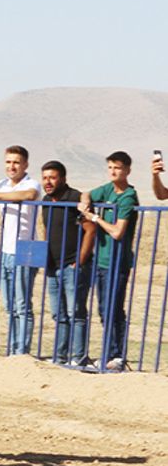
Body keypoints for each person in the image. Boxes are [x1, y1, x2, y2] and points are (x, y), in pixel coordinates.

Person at [0, 145, 41, 355]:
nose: (12, 166)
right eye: (9, 162)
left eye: (16, 162)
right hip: (6, 250)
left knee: (22, 305)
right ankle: (13, 348)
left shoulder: (31, 183)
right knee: (9, 304)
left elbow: (29, 195)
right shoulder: (2, 185)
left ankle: (22, 350)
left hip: (26, 248)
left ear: (25, 165)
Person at [77, 151, 138, 371]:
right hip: (101, 259)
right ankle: (108, 354)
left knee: (113, 308)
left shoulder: (128, 196)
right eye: (110, 167)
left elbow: (117, 232)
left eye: (118, 168)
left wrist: (94, 218)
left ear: (128, 170)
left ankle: (116, 355)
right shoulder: (108, 189)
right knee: (104, 308)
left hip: (117, 261)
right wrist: (85, 204)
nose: (113, 171)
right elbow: (87, 194)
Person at [40, 161, 96, 365]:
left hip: (72, 265)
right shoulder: (46, 200)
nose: (48, 182)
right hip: (53, 267)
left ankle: (78, 357)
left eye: (52, 177)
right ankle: (60, 356)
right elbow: (46, 229)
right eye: (45, 177)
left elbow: (90, 230)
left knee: (76, 313)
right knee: (59, 314)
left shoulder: (74, 199)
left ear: (63, 178)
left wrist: (79, 261)